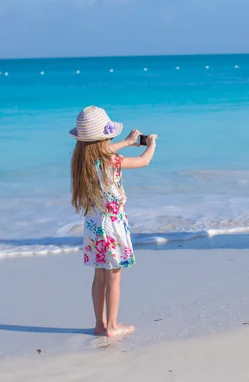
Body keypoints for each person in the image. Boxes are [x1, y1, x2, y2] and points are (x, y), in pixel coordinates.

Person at [69, 106, 157, 337]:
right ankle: (113, 325)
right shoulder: (111, 161)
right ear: (106, 137)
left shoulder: (81, 161)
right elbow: (143, 162)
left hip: (93, 225)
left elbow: (102, 151)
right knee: (114, 275)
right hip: (112, 224)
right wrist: (151, 145)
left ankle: (100, 324)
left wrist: (127, 142)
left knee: (99, 276)